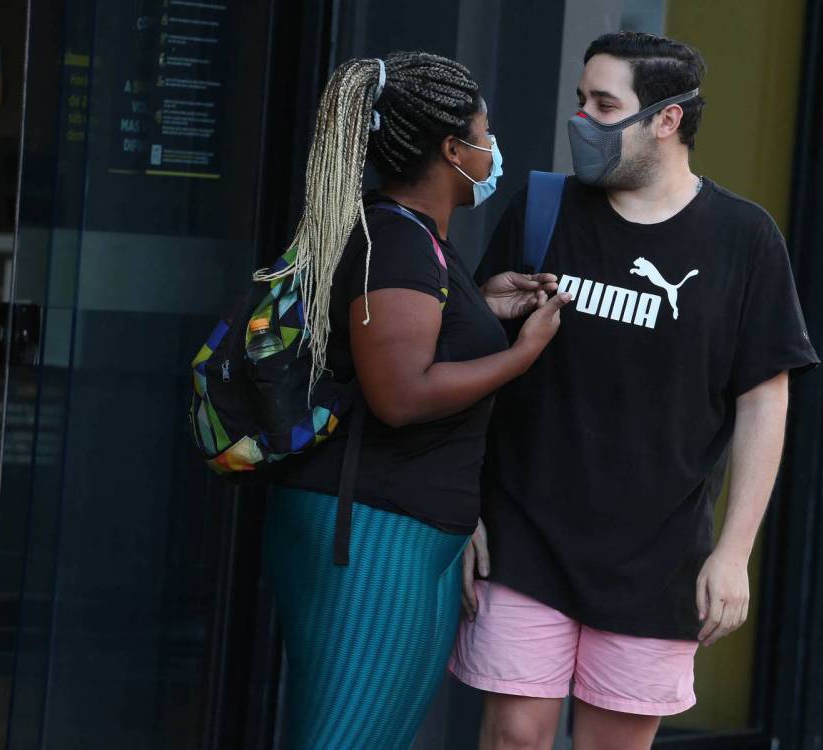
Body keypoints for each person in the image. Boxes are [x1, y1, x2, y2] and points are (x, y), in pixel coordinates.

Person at [449, 32, 820, 749]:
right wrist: (466, 507)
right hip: (525, 532)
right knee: (514, 736)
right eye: (580, 101)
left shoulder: (743, 239)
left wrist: (734, 552)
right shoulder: (543, 209)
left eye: (604, 103)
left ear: (666, 119)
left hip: (659, 552)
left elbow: (763, 399)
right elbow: (472, 365)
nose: (583, 119)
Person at [262, 54, 570, 749]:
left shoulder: (415, 239)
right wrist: (519, 355)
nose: (493, 150)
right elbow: (400, 395)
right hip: (372, 531)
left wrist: (483, 308)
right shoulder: (395, 242)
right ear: (452, 150)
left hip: (409, 528)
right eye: (485, 133)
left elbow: (420, 334)